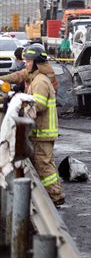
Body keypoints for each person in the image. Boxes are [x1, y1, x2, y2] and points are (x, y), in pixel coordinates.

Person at [0, 46, 64, 205]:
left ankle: (56, 197)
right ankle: (53, 195)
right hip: (40, 132)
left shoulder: (40, 81)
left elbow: (39, 105)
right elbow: (18, 75)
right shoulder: (35, 77)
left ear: (37, 63)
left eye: (28, 61)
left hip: (43, 132)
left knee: (44, 167)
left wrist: (19, 106)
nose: (25, 64)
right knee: (46, 165)